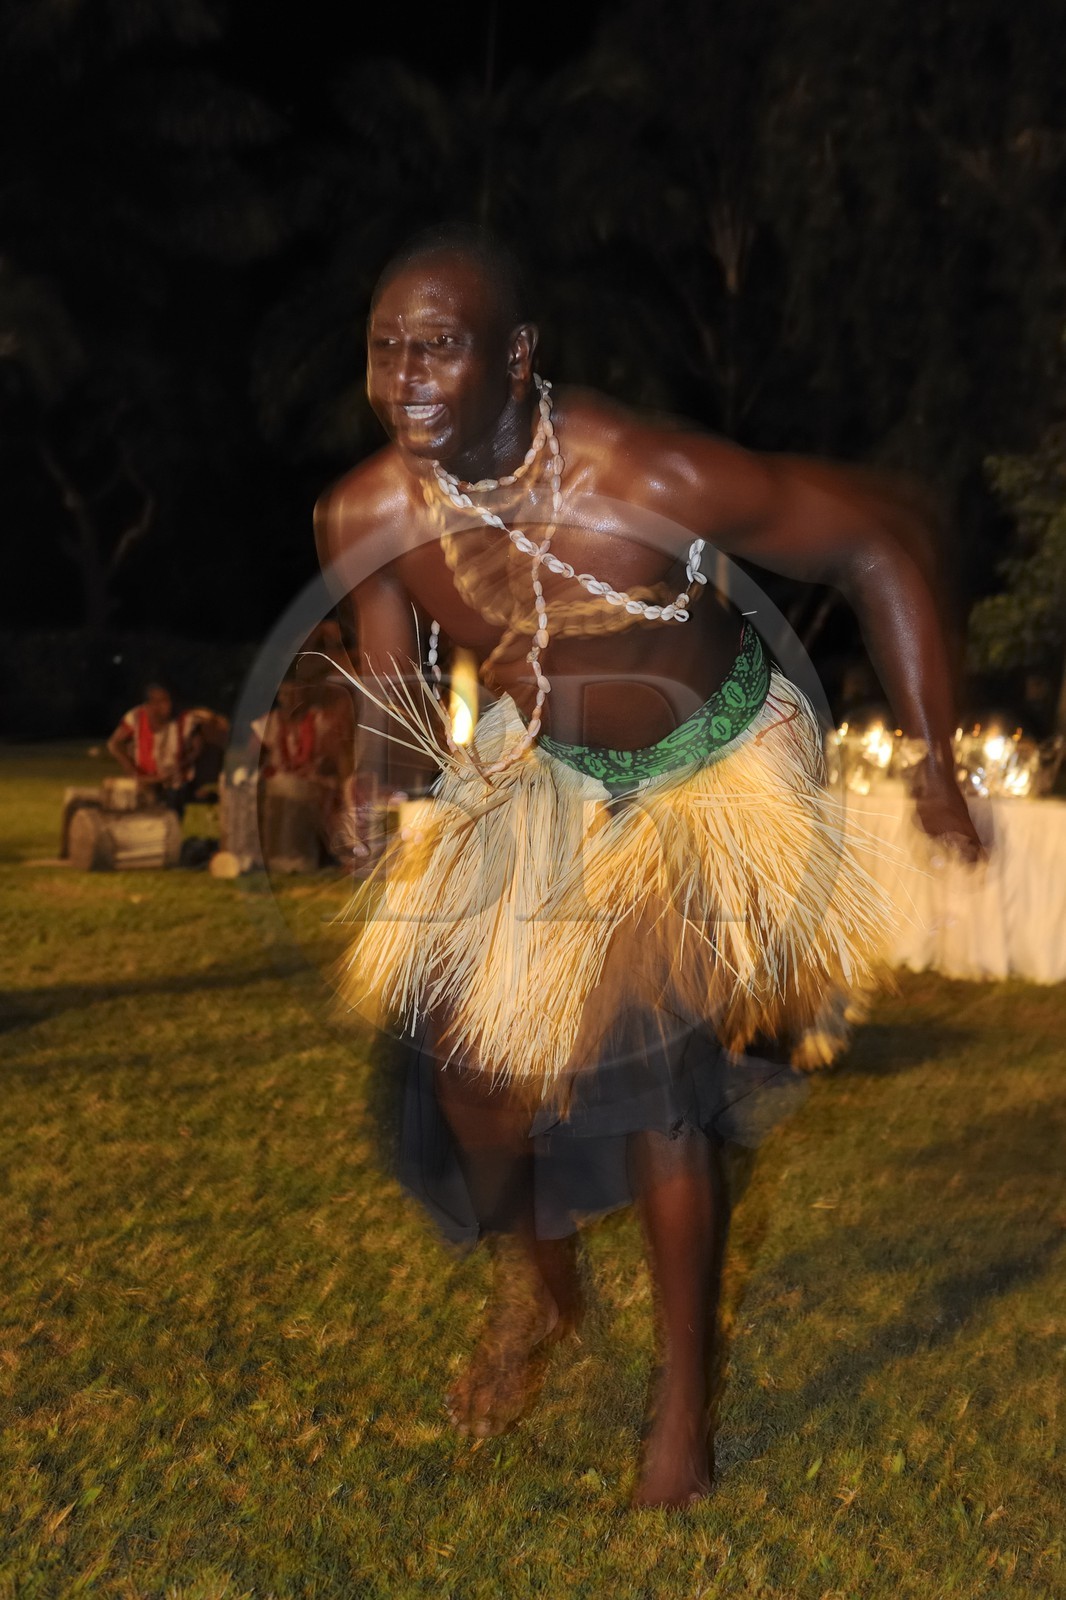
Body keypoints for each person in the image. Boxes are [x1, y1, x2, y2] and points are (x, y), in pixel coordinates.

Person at [314, 227, 981, 1509]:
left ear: (517, 357)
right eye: (385, 349)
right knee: (465, 1070)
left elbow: (870, 548)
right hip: (541, 773)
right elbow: (390, 693)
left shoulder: (641, 475)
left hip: (711, 764)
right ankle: (538, 1280)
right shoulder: (367, 515)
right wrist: (372, 784)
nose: (405, 377)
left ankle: (681, 1412)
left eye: (438, 347)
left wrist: (937, 761)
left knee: (648, 1067)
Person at [107, 682, 200, 817]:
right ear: (149, 704)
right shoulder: (135, 717)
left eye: (167, 700)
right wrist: (131, 769)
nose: (166, 706)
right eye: (160, 701)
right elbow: (114, 744)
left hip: (175, 783)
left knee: (170, 817)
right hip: (144, 780)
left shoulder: (185, 720)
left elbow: (198, 747)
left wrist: (181, 765)